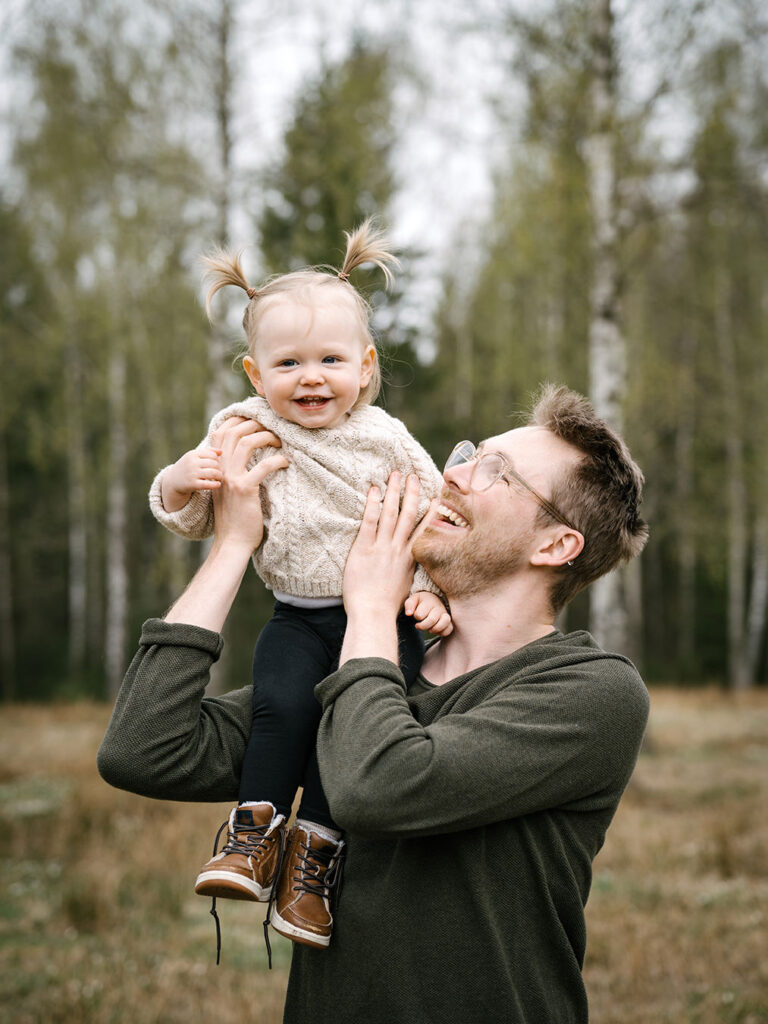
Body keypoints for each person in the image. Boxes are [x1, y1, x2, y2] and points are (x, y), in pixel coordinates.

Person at [99, 383, 650, 1023]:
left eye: (497, 473)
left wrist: (366, 608)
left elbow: (378, 784)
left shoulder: (591, 692)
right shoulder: (367, 667)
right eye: (470, 453)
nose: (454, 473)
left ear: (554, 546)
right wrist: (231, 547)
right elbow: (144, 750)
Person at [146, 221, 449, 953]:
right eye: (288, 363)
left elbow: (439, 515)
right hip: (296, 617)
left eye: (330, 360)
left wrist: (434, 590)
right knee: (279, 707)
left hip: (387, 622)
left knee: (346, 734)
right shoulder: (242, 426)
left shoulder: (384, 436)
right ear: (256, 375)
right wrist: (181, 479)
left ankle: (312, 863)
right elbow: (189, 512)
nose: (311, 377)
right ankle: (252, 838)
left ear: (365, 367)